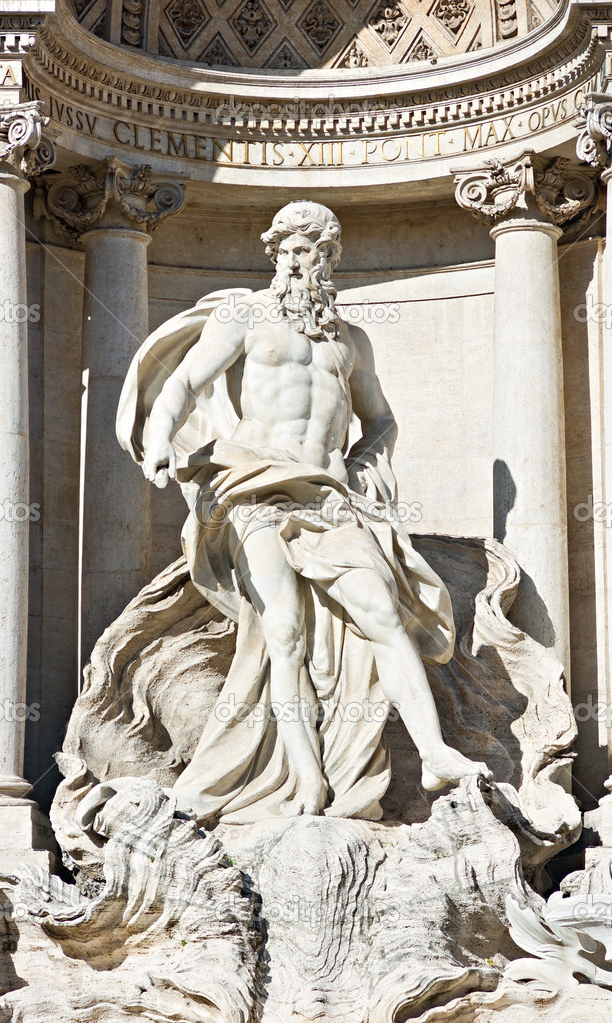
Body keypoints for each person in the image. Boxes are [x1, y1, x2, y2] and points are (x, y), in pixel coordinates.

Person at [117, 200, 491, 823]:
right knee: (283, 630)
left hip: (326, 496)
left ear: (329, 259)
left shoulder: (351, 342)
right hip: (254, 486)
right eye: (286, 248)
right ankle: (307, 780)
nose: (295, 260)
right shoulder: (245, 317)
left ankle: (434, 755)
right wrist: (159, 444)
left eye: (308, 249)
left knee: (383, 612)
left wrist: (369, 472)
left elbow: (381, 419)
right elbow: (183, 383)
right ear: (274, 256)